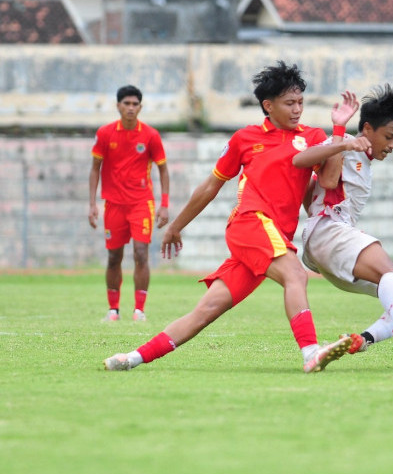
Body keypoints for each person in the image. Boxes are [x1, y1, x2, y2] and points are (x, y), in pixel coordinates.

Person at [104, 61, 356, 373]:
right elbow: (211, 185)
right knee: (296, 274)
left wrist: (340, 131)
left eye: (301, 102)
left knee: (207, 309)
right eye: (289, 103)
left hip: (270, 237)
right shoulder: (245, 138)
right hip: (251, 223)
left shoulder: (314, 136)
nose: (297, 110)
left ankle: (132, 358)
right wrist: (176, 225)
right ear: (268, 105)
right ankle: (311, 354)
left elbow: (329, 181)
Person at [293, 84, 393, 356]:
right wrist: (339, 132)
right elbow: (316, 171)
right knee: (390, 272)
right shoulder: (346, 146)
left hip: (332, 243)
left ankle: (363, 340)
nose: (391, 146)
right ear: (367, 129)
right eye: (388, 137)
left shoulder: (363, 161)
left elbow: (314, 191)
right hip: (328, 232)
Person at [89, 85, 170, 322]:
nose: (131, 108)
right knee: (114, 257)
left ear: (140, 107)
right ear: (118, 106)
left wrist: (164, 204)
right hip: (113, 205)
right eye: (127, 103)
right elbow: (95, 169)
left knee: (141, 252)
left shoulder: (150, 135)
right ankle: (113, 310)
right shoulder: (104, 134)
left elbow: (163, 170)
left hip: (141, 204)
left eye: (135, 104)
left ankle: (139, 310)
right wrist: (92, 203)